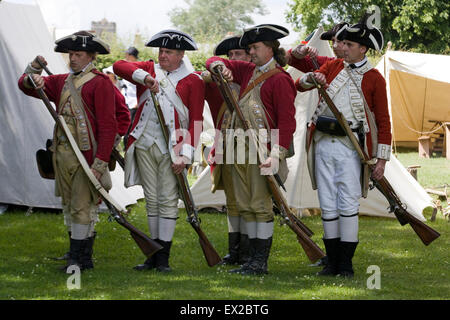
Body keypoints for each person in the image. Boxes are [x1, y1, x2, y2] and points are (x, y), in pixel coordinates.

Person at [297, 16, 391, 278]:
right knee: (327, 203)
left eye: (348, 44)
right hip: (323, 144)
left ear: (363, 49)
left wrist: (381, 160)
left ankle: (345, 264)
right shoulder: (331, 67)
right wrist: (311, 78)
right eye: (343, 43)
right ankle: (332, 263)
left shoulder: (374, 78)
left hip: (352, 148)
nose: (341, 47)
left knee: (347, 204)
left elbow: (383, 121)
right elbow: (299, 83)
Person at [18, 31, 118, 272]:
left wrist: (101, 162)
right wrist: (35, 69)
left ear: (91, 57)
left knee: (82, 207)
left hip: (86, 158)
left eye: (78, 54)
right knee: (70, 205)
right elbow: (25, 85)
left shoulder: (101, 83)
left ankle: (76, 261)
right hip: (62, 156)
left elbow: (108, 127)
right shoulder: (61, 81)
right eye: (71, 54)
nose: (72, 58)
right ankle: (83, 258)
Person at [206, 24, 297, 275]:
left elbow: (287, 122)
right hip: (238, 150)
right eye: (250, 48)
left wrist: (276, 155)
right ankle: (249, 260)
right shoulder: (248, 71)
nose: (251, 52)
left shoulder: (280, 79)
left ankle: (260, 262)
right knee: (245, 205)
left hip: (263, 153)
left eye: (255, 47)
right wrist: (218, 67)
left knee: (260, 206)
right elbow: (212, 59)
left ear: (270, 48)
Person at [113, 30, 205, 272]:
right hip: (144, 143)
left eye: (169, 52)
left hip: (172, 146)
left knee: (166, 200)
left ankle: (163, 257)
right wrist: (144, 77)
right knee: (151, 199)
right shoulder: (149, 69)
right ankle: (152, 254)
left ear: (181, 54)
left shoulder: (193, 80)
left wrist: (185, 155)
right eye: (161, 51)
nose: (163, 55)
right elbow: (118, 65)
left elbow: (195, 120)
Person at [200, 35, 252, 266]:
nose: (232, 60)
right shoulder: (217, 83)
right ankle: (236, 251)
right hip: (226, 145)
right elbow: (203, 74)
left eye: (237, 55)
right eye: (229, 56)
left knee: (250, 200)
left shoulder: (255, 80)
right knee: (232, 201)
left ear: (249, 56)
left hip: (251, 146)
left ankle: (251, 250)